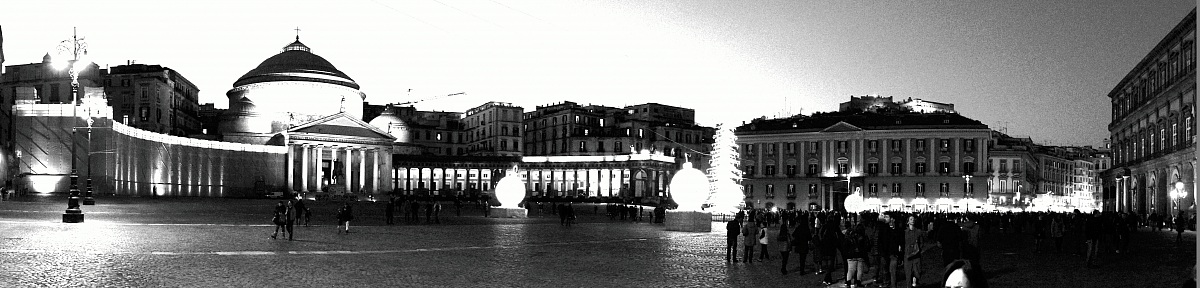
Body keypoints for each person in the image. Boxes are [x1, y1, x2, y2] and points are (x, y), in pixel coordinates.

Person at [842, 223, 869, 288]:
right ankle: (858, 283)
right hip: (860, 255)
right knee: (860, 270)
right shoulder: (862, 237)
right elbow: (865, 247)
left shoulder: (849, 237)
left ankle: (848, 283)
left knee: (851, 270)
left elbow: (845, 246)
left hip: (851, 255)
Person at [905, 215, 925, 288]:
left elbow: (921, 242)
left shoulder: (918, 231)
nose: (912, 220)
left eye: (913, 219)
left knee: (917, 272)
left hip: (916, 254)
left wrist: (919, 249)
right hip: (908, 255)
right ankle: (909, 286)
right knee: (908, 272)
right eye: (911, 219)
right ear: (908, 222)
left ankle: (914, 282)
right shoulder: (905, 232)